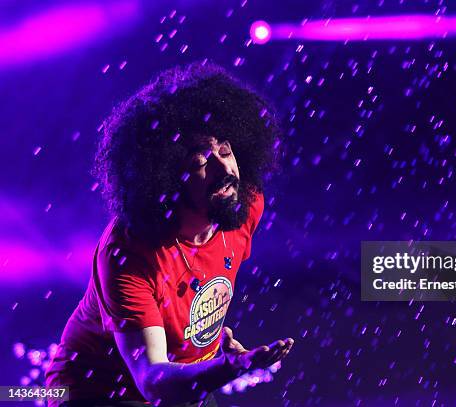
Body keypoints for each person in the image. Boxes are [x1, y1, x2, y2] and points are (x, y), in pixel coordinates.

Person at [45, 61, 294, 406]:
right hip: (94, 393)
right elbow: (153, 381)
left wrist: (220, 361)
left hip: (185, 380)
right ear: (165, 176)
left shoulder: (245, 205)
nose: (224, 168)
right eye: (200, 162)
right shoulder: (128, 252)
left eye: (225, 150)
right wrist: (227, 369)